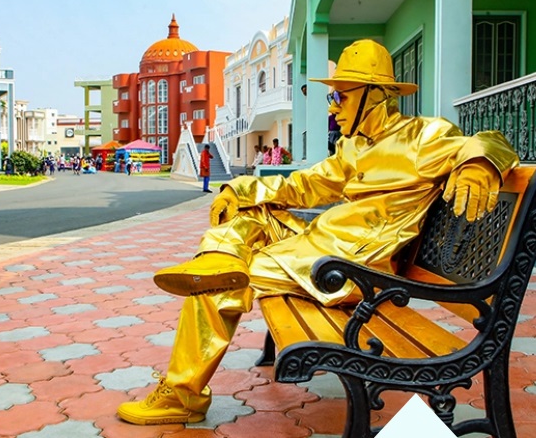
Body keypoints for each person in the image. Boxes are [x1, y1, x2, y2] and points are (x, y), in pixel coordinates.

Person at [116, 39, 519, 425]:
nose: (334, 105)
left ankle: (182, 395)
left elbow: (492, 141)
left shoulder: (421, 138)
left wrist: (479, 164)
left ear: (373, 95)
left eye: (341, 95)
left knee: (215, 286)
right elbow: (306, 184)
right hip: (321, 250)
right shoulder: (353, 146)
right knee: (251, 216)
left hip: (352, 271)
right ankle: (218, 257)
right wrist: (241, 188)